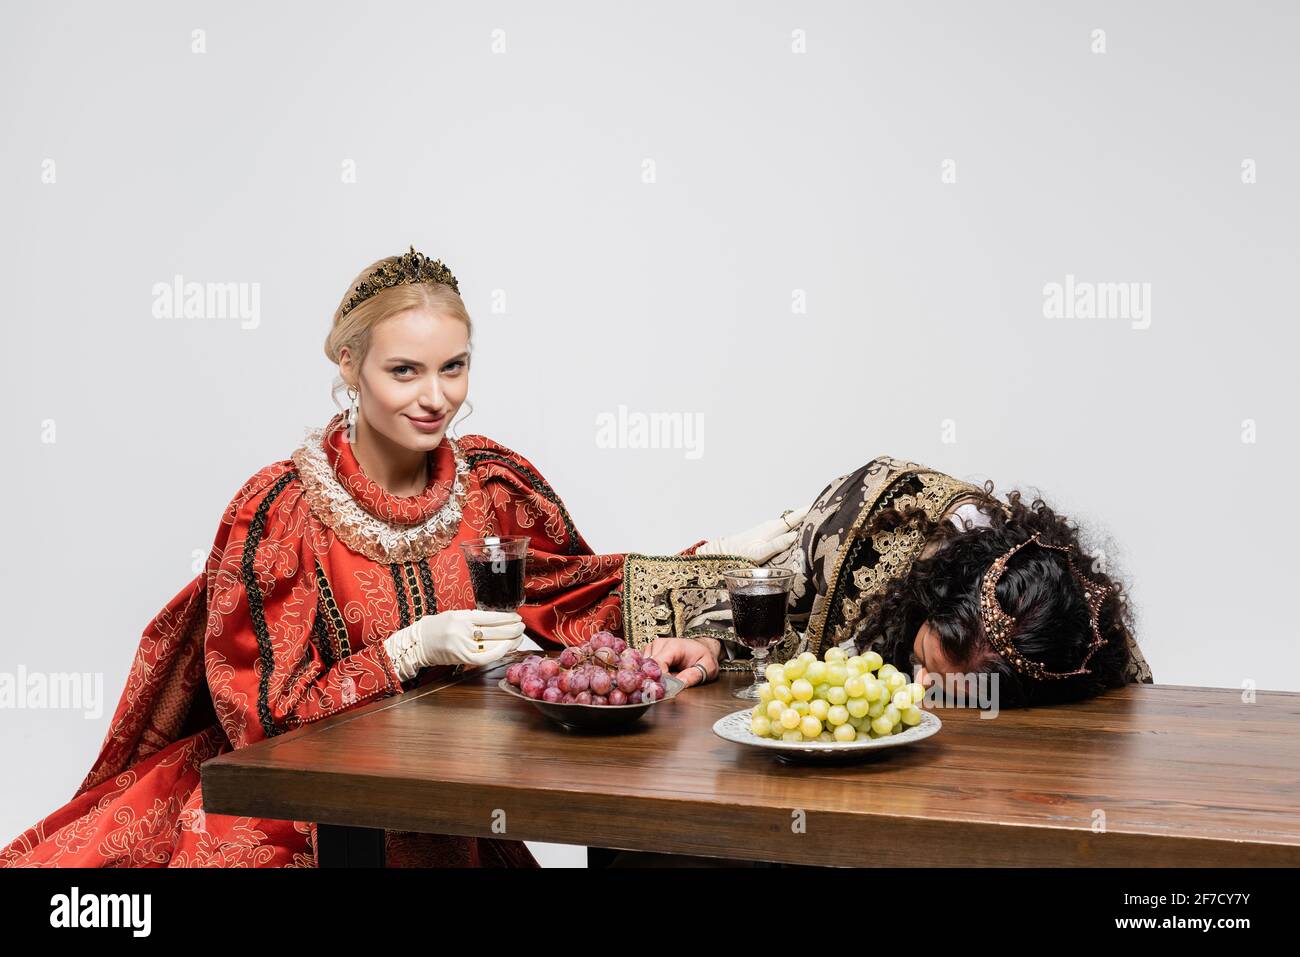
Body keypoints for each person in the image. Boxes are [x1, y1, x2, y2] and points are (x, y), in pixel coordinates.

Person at [0, 246, 797, 868]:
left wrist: (714, 562)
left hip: (446, 795)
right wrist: (406, 651)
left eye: (454, 367)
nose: (435, 396)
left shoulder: (490, 482)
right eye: (404, 370)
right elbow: (264, 722)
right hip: (300, 813)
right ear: (347, 367)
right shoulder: (280, 512)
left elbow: (568, 595)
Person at [639, 456, 1153, 710]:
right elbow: (781, 605)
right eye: (926, 663)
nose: (923, 689)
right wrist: (708, 640)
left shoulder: (1077, 641)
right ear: (931, 599)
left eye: (962, 693)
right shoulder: (866, 524)